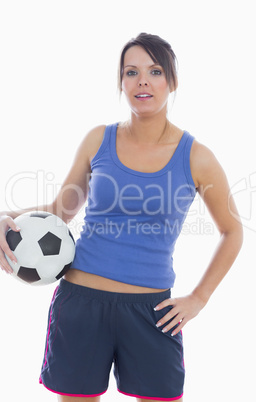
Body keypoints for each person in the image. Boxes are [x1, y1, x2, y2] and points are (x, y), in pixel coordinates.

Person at [0, 33, 243, 402]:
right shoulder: (99, 140)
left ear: (172, 81)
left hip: (154, 313)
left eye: (155, 71)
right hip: (81, 304)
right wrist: (5, 217)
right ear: (122, 82)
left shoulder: (197, 157)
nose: (142, 80)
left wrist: (199, 298)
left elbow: (232, 231)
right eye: (131, 72)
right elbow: (59, 212)